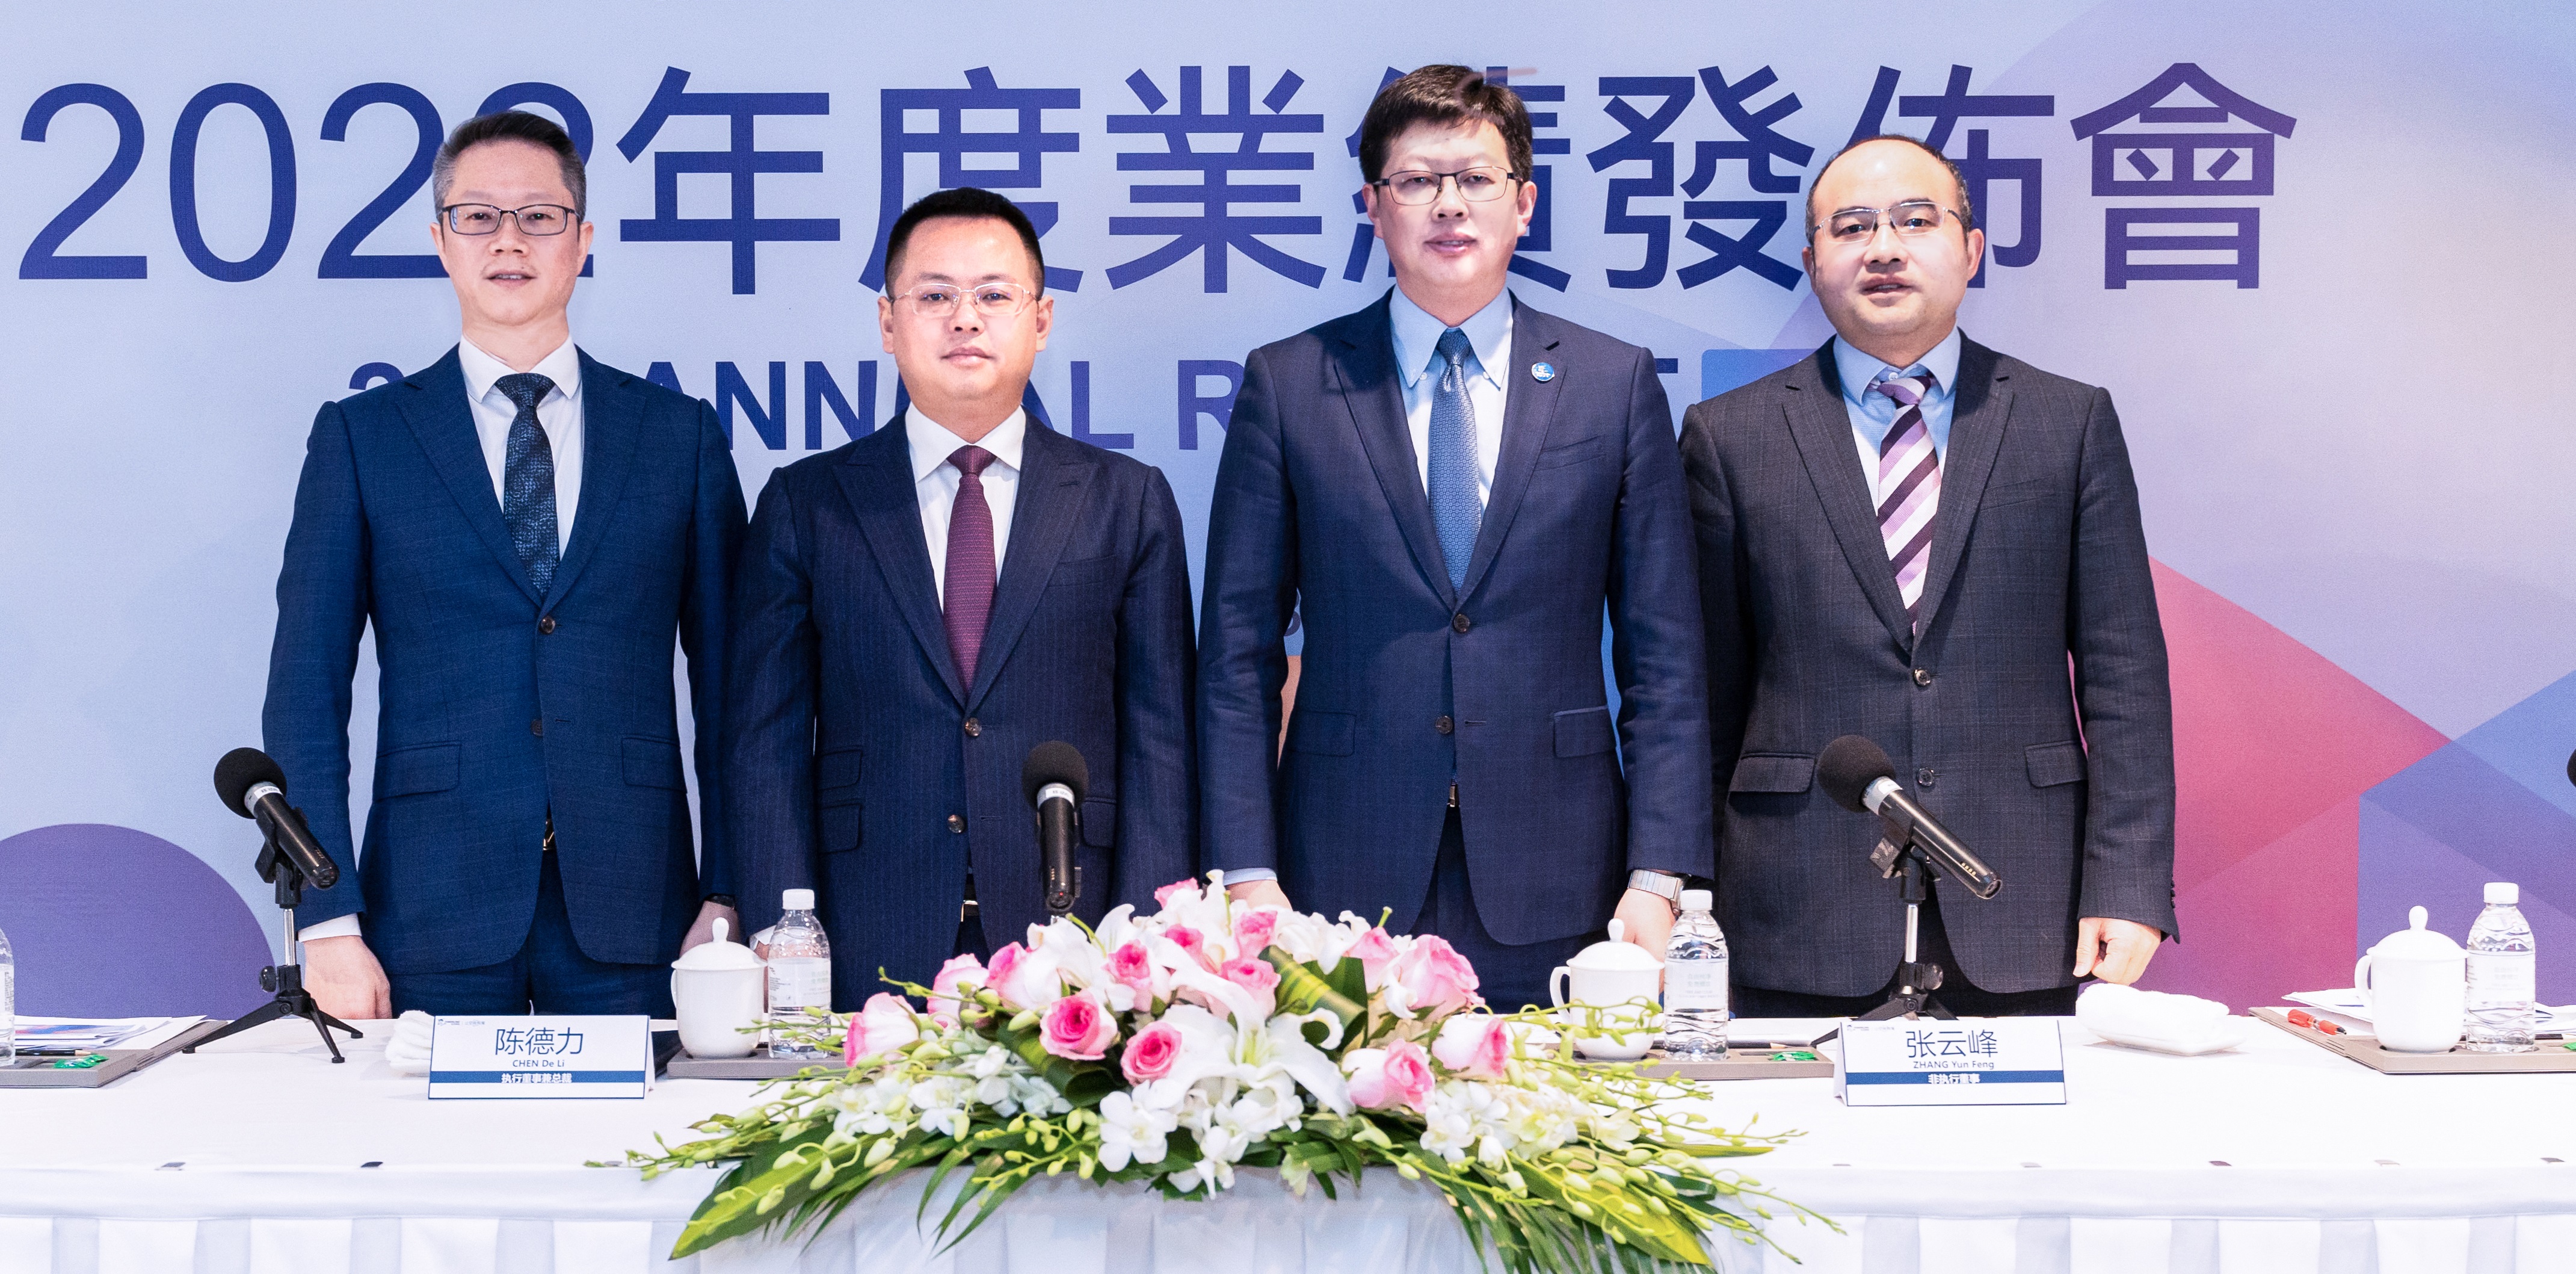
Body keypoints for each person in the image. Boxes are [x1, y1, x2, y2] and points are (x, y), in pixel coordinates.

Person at [1198, 64, 1710, 1012]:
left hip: (1562, 868)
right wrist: (1245, 872)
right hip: (1335, 877)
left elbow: (1665, 657)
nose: (1448, 205)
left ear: (1523, 204)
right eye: (1416, 181)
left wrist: (1659, 874)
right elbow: (1237, 654)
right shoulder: (1290, 384)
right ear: (1372, 206)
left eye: (1475, 178)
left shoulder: (1612, 383)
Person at [262, 111, 747, 1019]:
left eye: (539, 217)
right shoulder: (365, 438)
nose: (509, 241)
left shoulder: (675, 437)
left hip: (642, 909)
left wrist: (729, 893)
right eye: (479, 217)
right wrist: (326, 922)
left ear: (583, 240)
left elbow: (733, 691)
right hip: (428, 908)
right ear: (440, 241)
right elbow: (305, 691)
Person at [1680, 133, 2177, 1017]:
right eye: (1851, 227)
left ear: (1971, 249)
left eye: (1915, 221)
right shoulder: (1730, 437)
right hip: (1798, 902)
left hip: (2026, 897)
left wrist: (2129, 884)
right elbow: (1701, 694)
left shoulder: (2066, 423)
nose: (1883, 248)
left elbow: (2124, 675)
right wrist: (1689, 890)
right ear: (1811, 263)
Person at [726, 187, 1196, 1012]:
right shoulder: (808, 503)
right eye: (935, 296)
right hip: (865, 923)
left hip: (1075, 930)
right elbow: (765, 741)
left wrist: (1144, 942)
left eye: (993, 296)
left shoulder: (1126, 499)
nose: (965, 320)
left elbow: (1160, 738)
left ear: (1041, 320)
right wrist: (781, 934)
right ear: (888, 322)